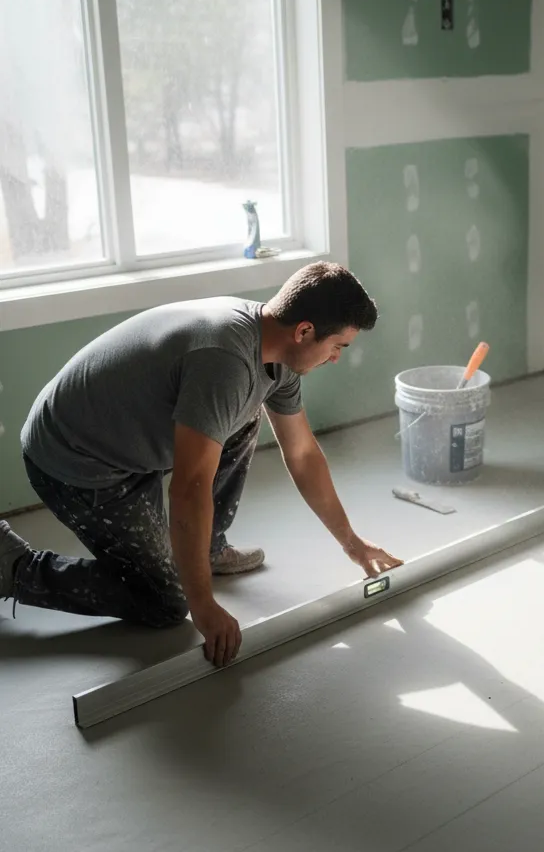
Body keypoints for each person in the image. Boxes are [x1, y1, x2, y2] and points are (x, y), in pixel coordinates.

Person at [0, 261, 403, 667]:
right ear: (304, 331)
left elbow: (301, 453)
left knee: (243, 415)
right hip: (76, 459)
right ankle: (14, 566)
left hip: (129, 438)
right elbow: (189, 488)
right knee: (165, 602)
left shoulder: (275, 351)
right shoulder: (225, 363)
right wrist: (203, 603)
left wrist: (352, 543)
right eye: (338, 346)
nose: (335, 358)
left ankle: (207, 548)